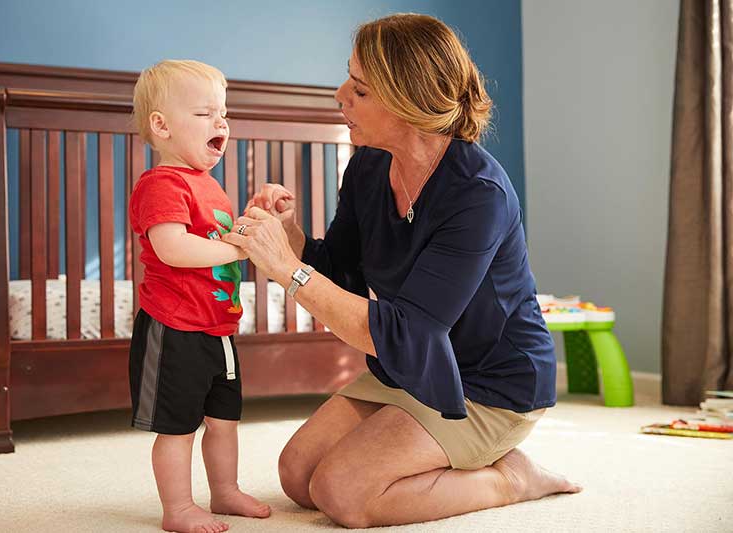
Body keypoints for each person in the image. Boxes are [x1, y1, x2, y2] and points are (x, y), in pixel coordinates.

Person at [223, 14, 581, 528]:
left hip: (487, 383)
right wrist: (292, 237)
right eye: (348, 78)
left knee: (342, 493)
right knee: (298, 476)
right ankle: (451, 456)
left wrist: (285, 269)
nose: (341, 95)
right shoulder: (368, 165)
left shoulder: (478, 194)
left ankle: (512, 477)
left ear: (410, 103)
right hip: (412, 369)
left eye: (361, 90)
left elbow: (409, 333)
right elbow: (340, 276)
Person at [128, 60, 271, 533]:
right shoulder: (161, 183)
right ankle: (178, 508)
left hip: (219, 326)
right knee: (178, 425)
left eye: (224, 114)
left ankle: (224, 491)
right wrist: (234, 243)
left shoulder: (210, 186)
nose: (221, 123)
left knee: (224, 419)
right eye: (206, 113)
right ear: (162, 125)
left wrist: (251, 218)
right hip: (174, 326)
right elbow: (172, 248)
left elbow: (222, 238)